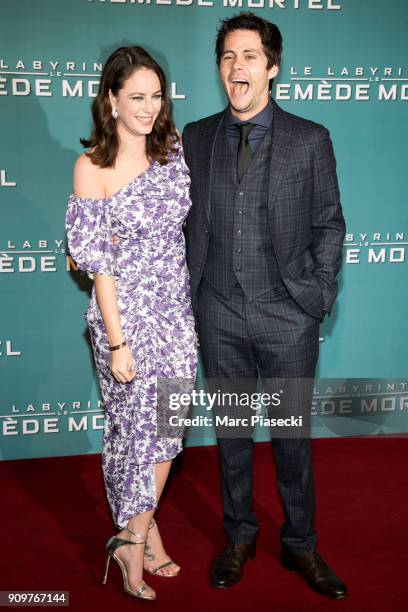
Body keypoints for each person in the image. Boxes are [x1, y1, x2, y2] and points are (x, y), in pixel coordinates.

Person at [182, 13, 348, 599]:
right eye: (228, 56)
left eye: (249, 56)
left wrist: (317, 296)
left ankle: (301, 544)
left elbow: (330, 224)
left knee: (291, 438)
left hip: (288, 315)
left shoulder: (310, 138)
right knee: (230, 434)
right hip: (218, 312)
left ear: (272, 67)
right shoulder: (195, 137)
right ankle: (239, 537)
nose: (237, 67)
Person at [65, 46, 197, 600]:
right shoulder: (91, 166)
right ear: (112, 100)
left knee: (167, 430)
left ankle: (135, 534)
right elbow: (97, 266)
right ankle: (138, 540)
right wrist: (117, 342)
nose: (148, 107)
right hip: (125, 316)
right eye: (136, 96)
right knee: (137, 433)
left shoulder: (173, 149)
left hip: (175, 307)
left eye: (156, 95)